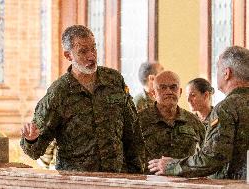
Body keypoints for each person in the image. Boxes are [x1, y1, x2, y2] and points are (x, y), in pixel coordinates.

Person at [20, 25, 144, 173]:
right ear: (68, 55)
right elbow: (34, 151)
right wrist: (31, 139)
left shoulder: (114, 80)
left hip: (116, 177)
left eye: (94, 49)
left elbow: (133, 131)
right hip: (77, 180)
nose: (91, 56)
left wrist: (137, 172)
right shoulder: (59, 93)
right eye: (83, 51)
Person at [148, 46, 249, 179]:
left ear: (227, 73)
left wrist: (171, 166)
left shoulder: (226, 108)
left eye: (217, 68)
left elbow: (212, 158)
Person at [139, 71, 205, 174]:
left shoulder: (194, 121)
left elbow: (205, 157)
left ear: (180, 92)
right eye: (163, 87)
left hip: (185, 184)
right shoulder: (139, 121)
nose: (169, 91)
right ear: (153, 94)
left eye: (173, 87)